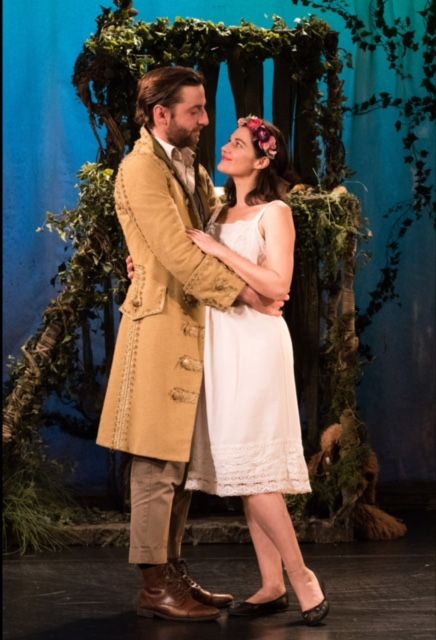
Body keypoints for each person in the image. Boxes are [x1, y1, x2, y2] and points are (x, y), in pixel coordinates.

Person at [96, 66, 286, 623]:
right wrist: (248, 294)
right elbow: (178, 253)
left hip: (197, 327)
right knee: (156, 459)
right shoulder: (140, 168)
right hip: (159, 326)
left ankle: (173, 572)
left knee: (178, 460)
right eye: (195, 111)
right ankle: (154, 584)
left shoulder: (192, 168)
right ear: (162, 114)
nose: (205, 120)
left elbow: (208, 235)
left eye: (204, 109)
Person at [128, 113, 330, 626]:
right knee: (244, 467)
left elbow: (277, 285)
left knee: (255, 471)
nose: (226, 147)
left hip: (255, 346)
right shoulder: (216, 208)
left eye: (238, 144)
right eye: (230, 140)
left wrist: (217, 248)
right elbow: (182, 259)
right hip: (220, 344)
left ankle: (303, 577)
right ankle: (271, 583)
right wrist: (142, 267)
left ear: (261, 161)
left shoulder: (275, 213)